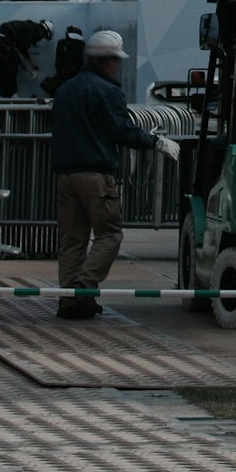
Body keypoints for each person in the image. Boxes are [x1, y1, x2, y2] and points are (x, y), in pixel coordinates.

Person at [48, 29, 176, 320]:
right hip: (95, 175)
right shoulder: (107, 91)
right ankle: (84, 285)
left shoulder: (65, 89)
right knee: (110, 234)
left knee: (72, 241)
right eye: (116, 60)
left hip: (65, 176)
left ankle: (69, 302)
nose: (118, 65)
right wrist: (155, 142)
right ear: (107, 61)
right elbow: (120, 130)